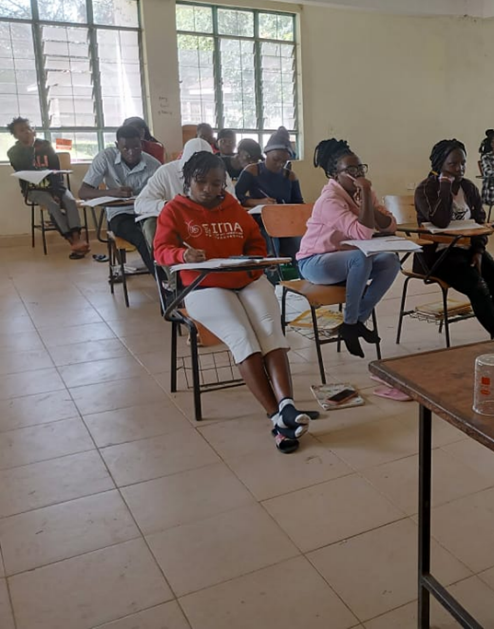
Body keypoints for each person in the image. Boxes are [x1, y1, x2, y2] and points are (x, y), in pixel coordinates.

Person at [153, 152, 310, 454]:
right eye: (203, 183)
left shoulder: (232, 206)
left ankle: (287, 405)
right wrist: (182, 255)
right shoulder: (174, 210)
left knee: (270, 330)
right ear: (187, 181)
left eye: (218, 184)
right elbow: (161, 250)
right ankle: (277, 416)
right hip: (203, 286)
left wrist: (251, 262)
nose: (212, 190)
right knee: (242, 335)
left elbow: (254, 240)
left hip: (246, 279)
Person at [297, 139, 399, 358]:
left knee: (391, 261)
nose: (358, 174)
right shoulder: (329, 200)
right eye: (351, 170)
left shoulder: (364, 192)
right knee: (361, 258)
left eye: (360, 168)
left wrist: (368, 202)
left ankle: (357, 320)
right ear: (335, 175)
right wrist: (365, 202)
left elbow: (390, 225)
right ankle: (351, 323)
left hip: (347, 261)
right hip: (315, 262)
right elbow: (363, 233)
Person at [415, 139, 494, 340]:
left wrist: (478, 251)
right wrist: (444, 185)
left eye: (463, 163)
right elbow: (440, 221)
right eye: (453, 164)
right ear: (439, 164)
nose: (460, 169)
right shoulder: (426, 189)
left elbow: (480, 222)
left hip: (466, 249)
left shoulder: (468, 188)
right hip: (439, 255)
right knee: (478, 287)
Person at [80, 125, 160, 274]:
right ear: (117, 146)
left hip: (146, 213)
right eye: (125, 148)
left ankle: (174, 281)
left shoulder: (153, 165)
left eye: (136, 147)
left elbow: (162, 193)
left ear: (142, 144)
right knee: (141, 238)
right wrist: (113, 192)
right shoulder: (105, 158)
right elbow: (83, 192)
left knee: (159, 236)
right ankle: (165, 285)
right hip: (120, 214)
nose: (131, 152)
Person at [7, 117, 89, 258]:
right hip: (34, 190)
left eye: (28, 128)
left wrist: (57, 191)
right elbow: (24, 167)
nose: (27, 132)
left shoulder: (45, 146)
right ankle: (71, 241)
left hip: (56, 186)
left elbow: (55, 170)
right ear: (15, 135)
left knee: (70, 201)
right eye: (22, 130)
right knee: (52, 205)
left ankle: (77, 239)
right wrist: (30, 147)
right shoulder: (13, 152)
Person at [134, 138, 216, 249]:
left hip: (208, 219)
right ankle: (167, 265)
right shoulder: (166, 172)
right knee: (151, 225)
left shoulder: (219, 173)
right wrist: (167, 206)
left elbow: (233, 203)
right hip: (174, 221)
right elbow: (140, 203)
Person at [235, 127, 303, 258]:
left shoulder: (290, 176)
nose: (279, 164)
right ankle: (274, 275)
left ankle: (299, 276)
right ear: (267, 153)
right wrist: (260, 202)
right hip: (261, 223)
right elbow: (237, 197)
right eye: (275, 159)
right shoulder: (252, 170)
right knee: (271, 248)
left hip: (285, 223)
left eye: (284, 162)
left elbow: (299, 203)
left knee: (301, 249)